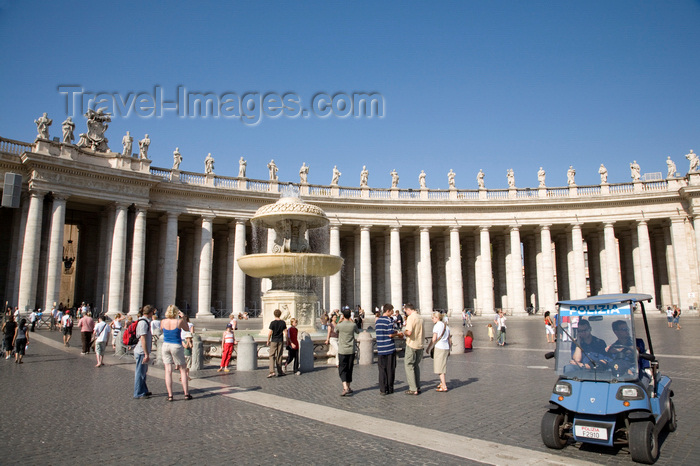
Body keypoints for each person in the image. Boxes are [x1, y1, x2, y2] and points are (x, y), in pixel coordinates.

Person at [160, 305, 192, 401]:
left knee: (168, 371)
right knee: (182, 369)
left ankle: (170, 395)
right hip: (176, 345)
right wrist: (183, 317)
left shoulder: (163, 321)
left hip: (165, 345)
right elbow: (187, 329)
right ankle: (186, 394)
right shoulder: (179, 321)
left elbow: (162, 330)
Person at [376, 304, 401, 395]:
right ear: (388, 311)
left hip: (380, 349)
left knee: (382, 369)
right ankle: (390, 388)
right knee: (390, 369)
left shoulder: (377, 321)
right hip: (389, 348)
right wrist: (398, 334)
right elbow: (390, 334)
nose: (393, 313)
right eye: (392, 311)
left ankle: (382, 389)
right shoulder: (389, 320)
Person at [336, 308, 360, 396]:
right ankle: (348, 387)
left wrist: (340, 321)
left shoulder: (340, 325)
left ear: (343, 315)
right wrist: (352, 321)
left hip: (342, 350)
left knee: (342, 368)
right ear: (350, 315)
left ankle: (345, 387)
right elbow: (358, 331)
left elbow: (335, 330)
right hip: (351, 350)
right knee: (350, 368)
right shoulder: (353, 325)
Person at [133, 305, 155, 400]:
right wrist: (146, 353)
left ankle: (144, 390)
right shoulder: (143, 323)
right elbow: (143, 339)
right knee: (139, 372)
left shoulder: (145, 322)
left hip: (143, 351)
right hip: (141, 351)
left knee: (143, 372)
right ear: (150, 313)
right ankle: (138, 393)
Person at [402, 302, 424, 395]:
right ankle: (417, 386)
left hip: (411, 344)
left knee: (409, 365)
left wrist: (404, 331)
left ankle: (413, 388)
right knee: (416, 366)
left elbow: (409, 332)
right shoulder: (420, 317)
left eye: (405, 311)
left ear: (408, 309)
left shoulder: (411, 317)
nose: (406, 313)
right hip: (420, 344)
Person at [431, 311, 451, 392]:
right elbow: (449, 339)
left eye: (433, 318)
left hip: (439, 347)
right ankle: (441, 383)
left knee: (440, 367)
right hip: (446, 347)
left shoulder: (437, 326)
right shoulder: (446, 326)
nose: (432, 320)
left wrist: (432, 342)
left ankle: (444, 385)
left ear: (437, 318)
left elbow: (434, 339)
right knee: (443, 365)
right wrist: (449, 348)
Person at [266, 309, 286, 378]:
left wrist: (268, 340)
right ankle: (280, 371)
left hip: (274, 340)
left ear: (274, 314)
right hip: (280, 340)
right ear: (280, 314)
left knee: (271, 355)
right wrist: (288, 340)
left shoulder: (273, 323)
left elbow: (270, 333)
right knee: (279, 355)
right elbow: (286, 333)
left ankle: (272, 371)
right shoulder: (283, 322)